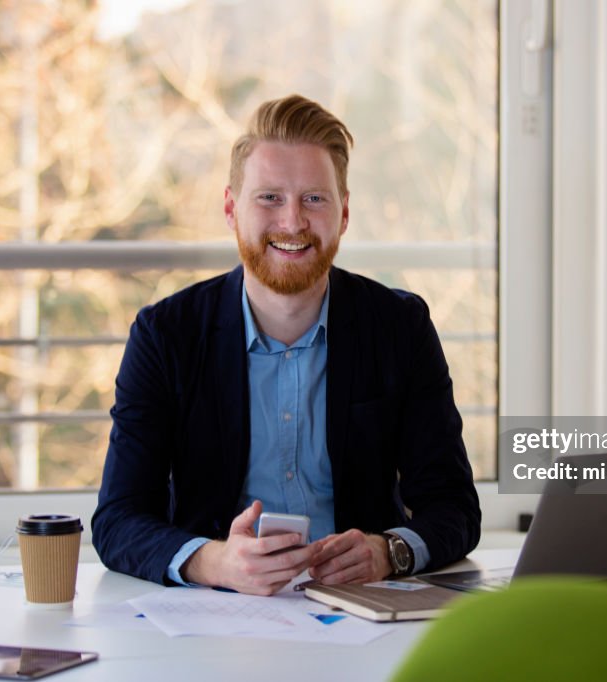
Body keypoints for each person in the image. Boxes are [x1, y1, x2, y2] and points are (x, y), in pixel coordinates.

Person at [92, 94, 481, 595]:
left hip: (364, 608)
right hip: (214, 614)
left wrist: (390, 552)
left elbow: (455, 507)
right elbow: (118, 518)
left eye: (314, 199)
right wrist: (214, 563)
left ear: (343, 215)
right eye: (270, 197)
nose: (293, 222)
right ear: (232, 209)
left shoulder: (400, 327)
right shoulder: (165, 335)